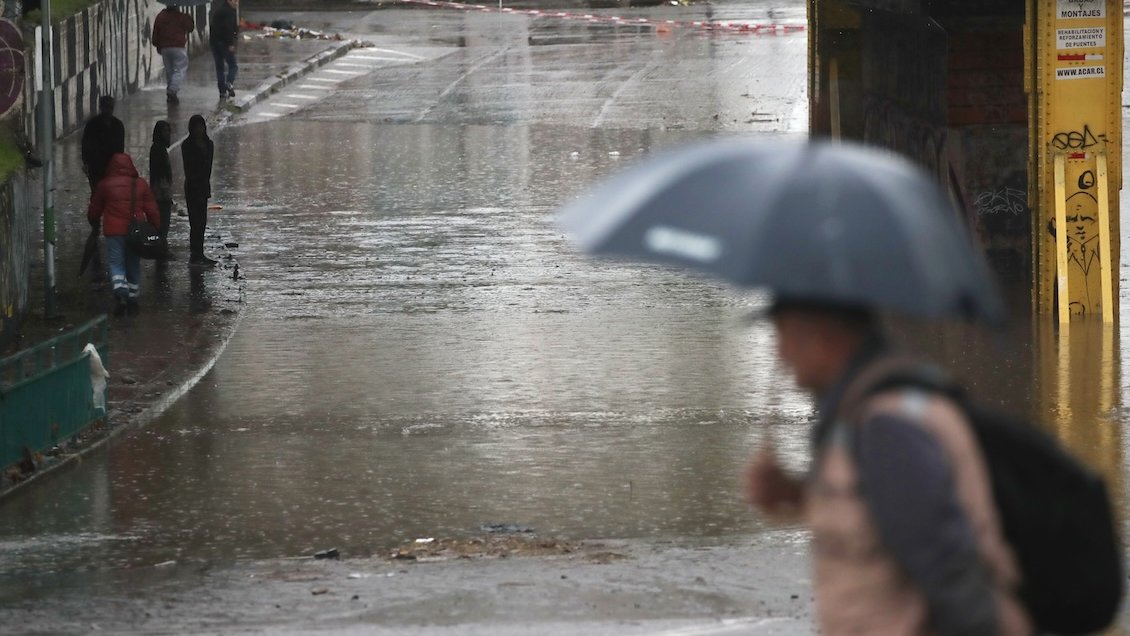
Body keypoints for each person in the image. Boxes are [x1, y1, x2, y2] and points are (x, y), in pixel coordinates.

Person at [745, 297, 1031, 635]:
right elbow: (877, 511)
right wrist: (796, 491)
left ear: (822, 336)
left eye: (783, 334)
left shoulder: (889, 428)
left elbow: (947, 570)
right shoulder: (857, 413)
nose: (780, 352)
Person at [87, 153, 161, 316]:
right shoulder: (140, 185)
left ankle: (120, 290)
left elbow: (95, 208)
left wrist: (93, 220)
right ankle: (132, 297)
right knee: (133, 263)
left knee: (116, 262)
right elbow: (152, 209)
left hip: (113, 231)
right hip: (135, 232)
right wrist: (156, 226)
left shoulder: (105, 185)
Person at [181, 114, 216, 267]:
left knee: (202, 223)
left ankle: (199, 254)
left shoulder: (209, 144)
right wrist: (197, 187)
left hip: (203, 187)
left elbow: (208, 168)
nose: (199, 130)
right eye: (196, 127)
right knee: (194, 222)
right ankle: (194, 255)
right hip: (192, 188)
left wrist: (204, 188)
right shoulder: (187, 145)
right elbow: (189, 169)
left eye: (201, 126)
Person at [80, 96, 125, 192]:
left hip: (113, 167)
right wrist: (86, 163)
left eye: (110, 108)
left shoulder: (118, 125)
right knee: (97, 194)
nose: (108, 110)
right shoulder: (92, 124)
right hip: (96, 168)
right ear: (101, 108)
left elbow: (121, 148)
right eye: (106, 107)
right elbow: (85, 146)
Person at [152, 6, 195, 105]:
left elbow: (155, 34)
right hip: (178, 47)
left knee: (170, 71)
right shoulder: (181, 16)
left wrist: (158, 45)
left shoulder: (160, 16)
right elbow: (190, 28)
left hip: (165, 48)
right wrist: (188, 17)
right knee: (180, 69)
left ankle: (171, 95)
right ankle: (172, 90)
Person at [149, 120, 173, 257]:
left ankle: (162, 248)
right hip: (161, 193)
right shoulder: (158, 150)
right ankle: (161, 250)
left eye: (168, 131)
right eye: (164, 131)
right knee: (163, 223)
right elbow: (160, 175)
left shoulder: (160, 149)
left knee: (163, 223)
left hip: (161, 192)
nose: (167, 134)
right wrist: (165, 193)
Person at [210, 0, 239, 99]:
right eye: (234, 0)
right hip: (225, 43)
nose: (236, 3)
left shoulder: (219, 10)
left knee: (220, 68)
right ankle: (229, 83)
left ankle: (222, 91)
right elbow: (229, 28)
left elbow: (213, 27)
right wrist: (230, 43)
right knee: (233, 65)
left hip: (215, 42)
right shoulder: (229, 11)